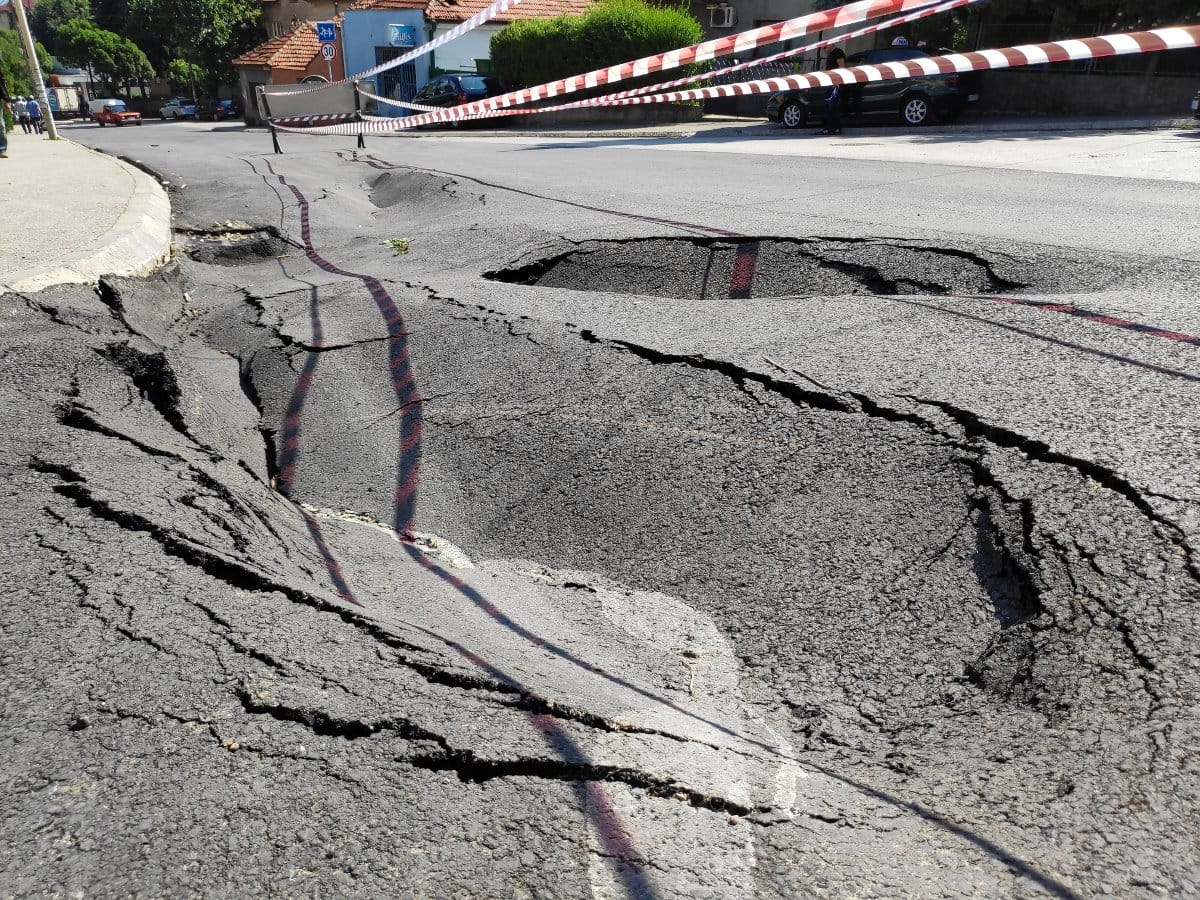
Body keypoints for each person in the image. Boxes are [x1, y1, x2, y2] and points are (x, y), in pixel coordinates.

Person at [818, 48, 846, 136]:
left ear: (831, 44)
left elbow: (842, 67)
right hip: (831, 83)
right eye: (823, 48)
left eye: (825, 48)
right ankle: (829, 128)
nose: (824, 50)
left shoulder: (838, 52)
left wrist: (838, 81)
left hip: (836, 83)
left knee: (831, 105)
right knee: (827, 104)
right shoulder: (830, 55)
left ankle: (836, 128)